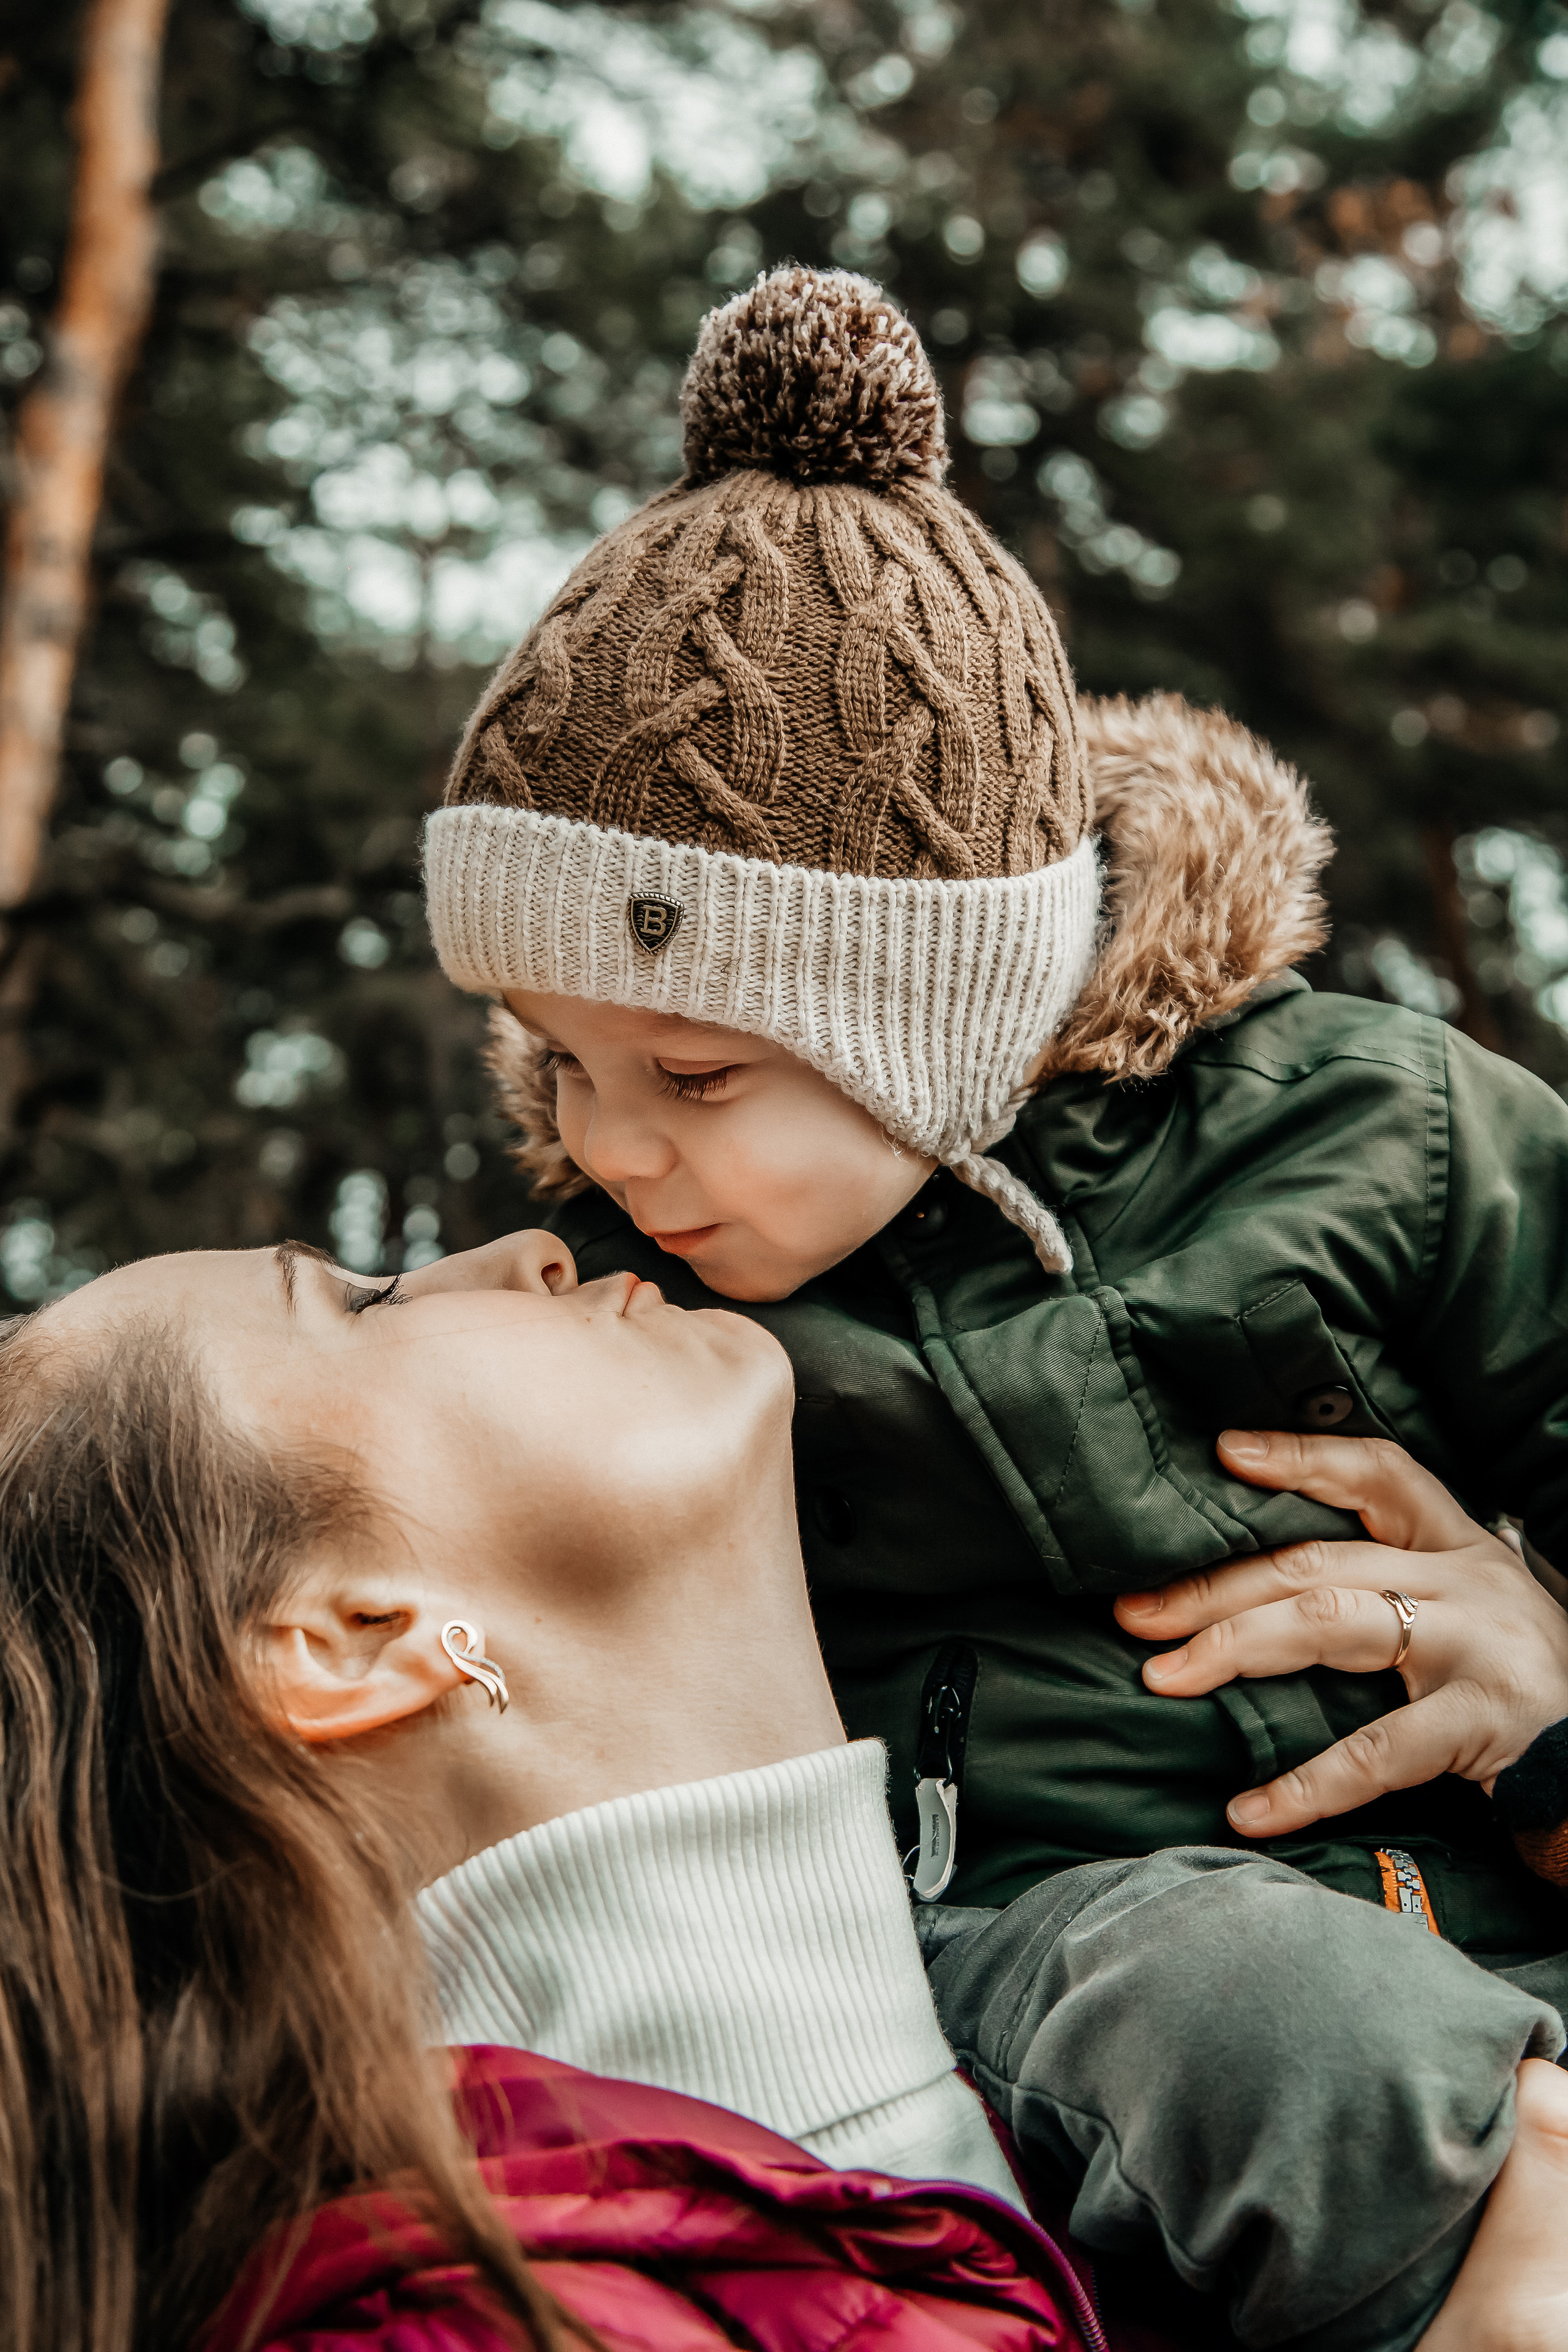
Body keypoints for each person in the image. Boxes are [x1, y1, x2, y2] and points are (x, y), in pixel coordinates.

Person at [420, 265, 1568, 2350]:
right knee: (1231, 2000)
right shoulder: (651, 1343)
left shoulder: (1369, 1132)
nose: (610, 1147)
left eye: (694, 1074)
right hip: (1035, 1961)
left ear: (954, 1014)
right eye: (553, 1058)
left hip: (1492, 1904)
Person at [1, 1227, 1566, 2352]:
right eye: (365, 1295)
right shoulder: (458, 2323)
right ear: (356, 1640)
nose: (528, 1246)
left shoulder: (1139, 2052)